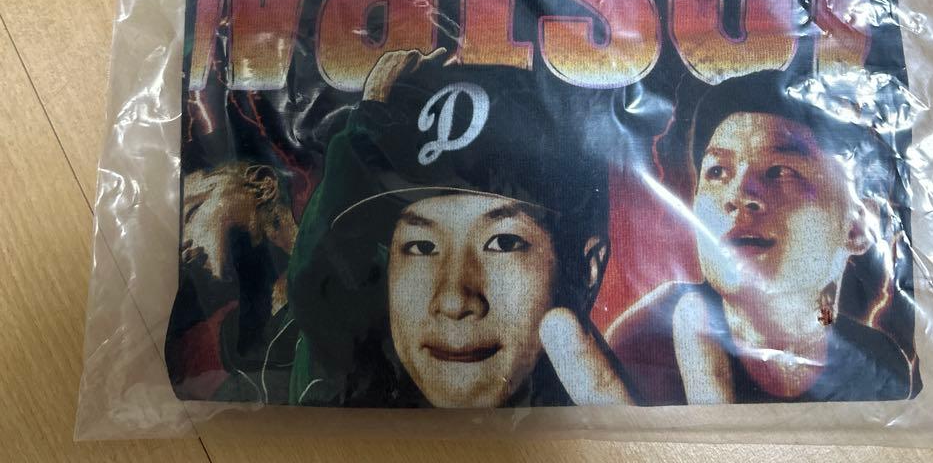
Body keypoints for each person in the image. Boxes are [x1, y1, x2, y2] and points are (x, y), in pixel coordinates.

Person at [287, 49, 616, 407]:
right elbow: (320, 285)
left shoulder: (626, 404)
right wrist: (366, 128)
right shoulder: (353, 387)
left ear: (587, 269)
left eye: (504, 242)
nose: (455, 301)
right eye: (422, 246)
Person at [602, 70, 914, 404]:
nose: (738, 194)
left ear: (857, 226)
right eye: (717, 172)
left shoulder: (878, 366)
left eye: (780, 171)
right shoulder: (642, 351)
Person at [169, 159, 299, 403]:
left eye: (193, 212)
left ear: (262, 185)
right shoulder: (236, 341)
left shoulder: (340, 243)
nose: (183, 245)